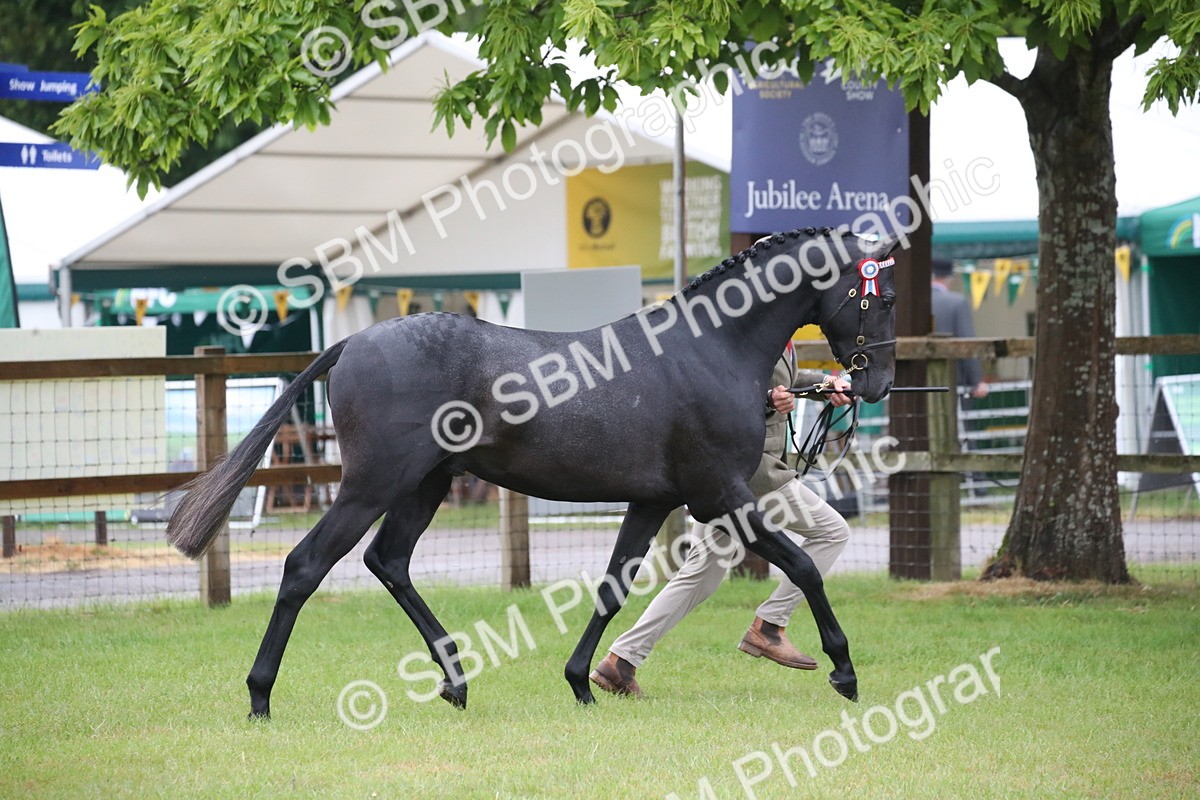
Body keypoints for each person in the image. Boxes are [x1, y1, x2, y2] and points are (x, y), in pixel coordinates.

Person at [589, 347, 853, 697]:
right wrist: (768, 403)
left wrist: (825, 384)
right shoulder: (751, 321)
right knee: (831, 531)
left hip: (726, 471)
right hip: (753, 472)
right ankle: (770, 626)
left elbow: (780, 379)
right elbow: (721, 388)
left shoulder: (779, 325)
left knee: (703, 572)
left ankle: (620, 662)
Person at [930, 258, 989, 399]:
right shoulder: (957, 303)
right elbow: (967, 343)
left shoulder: (907, 303)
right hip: (954, 384)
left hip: (915, 384)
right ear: (949, 278)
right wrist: (976, 381)